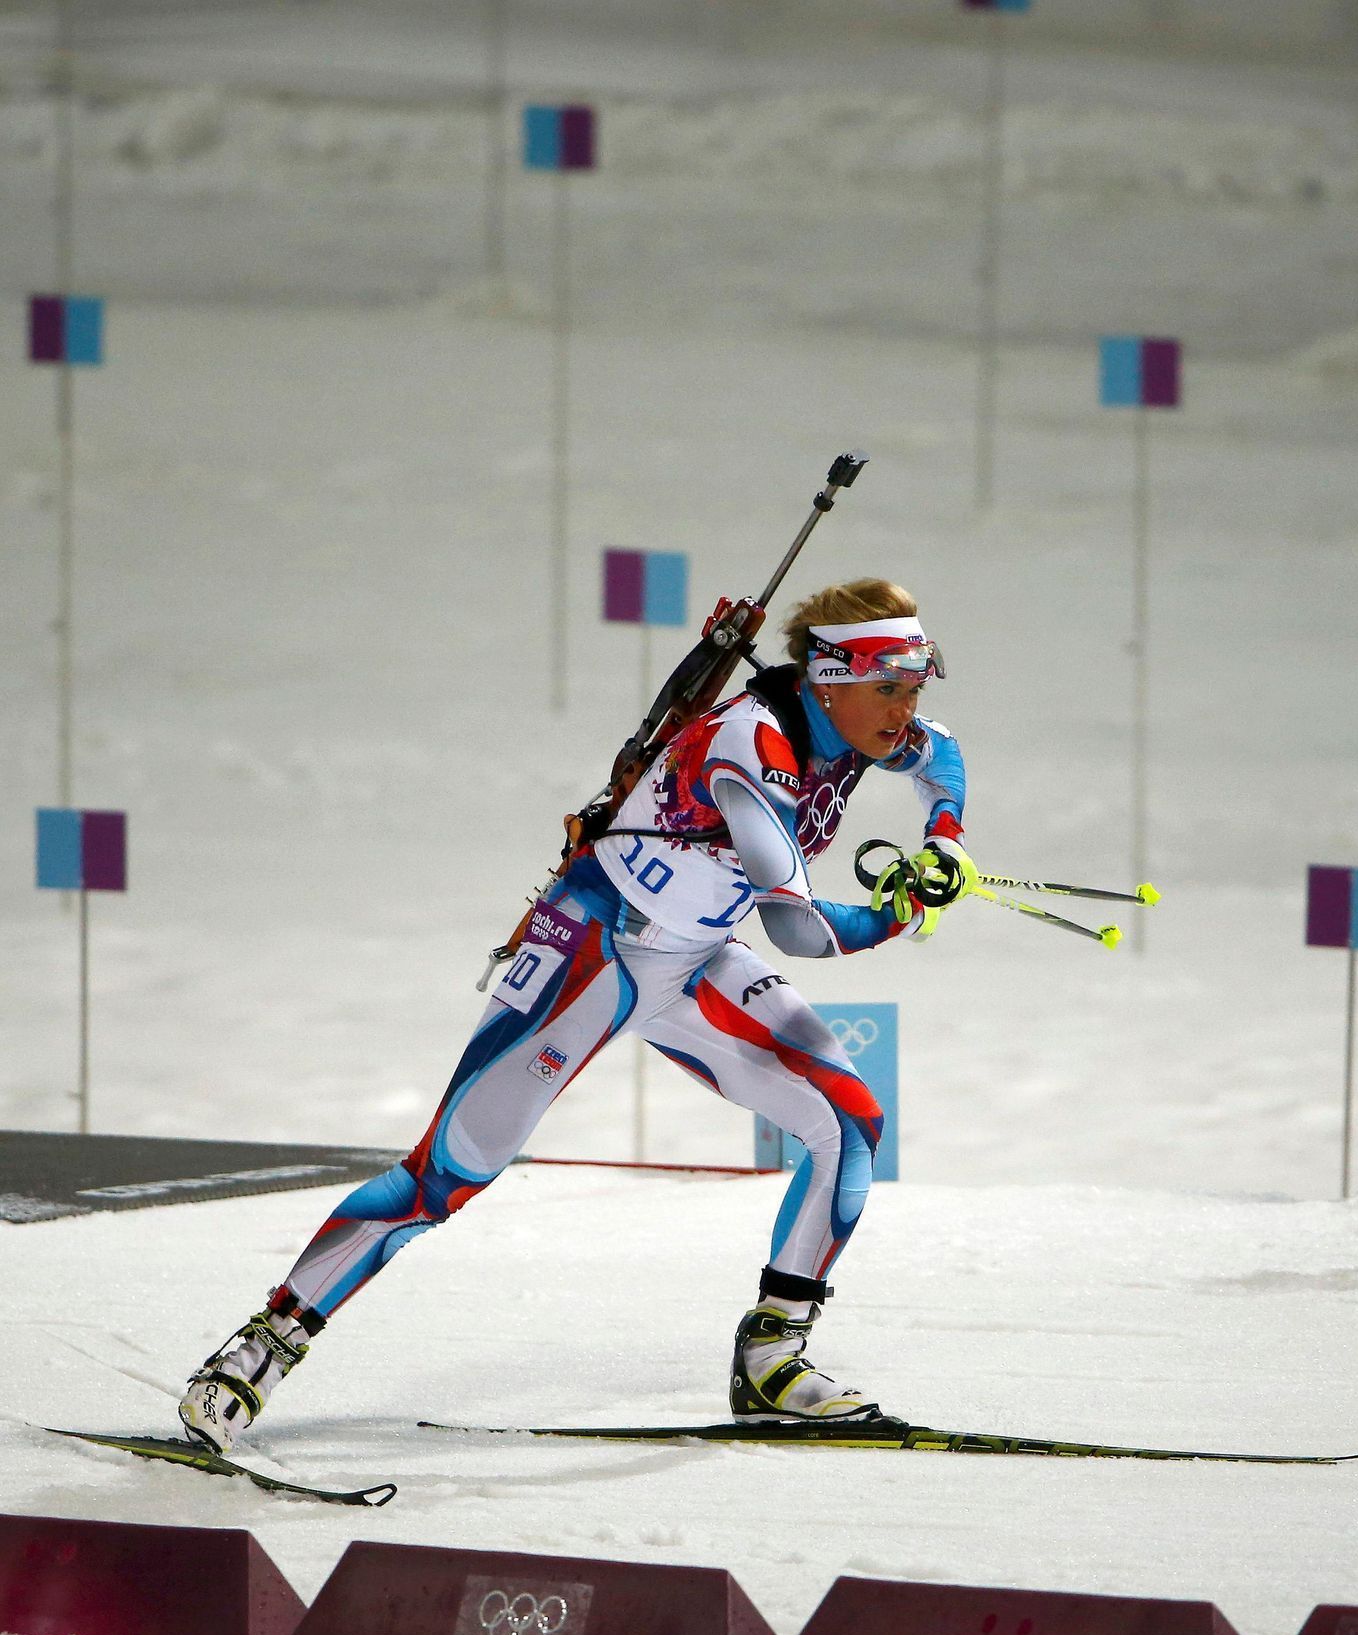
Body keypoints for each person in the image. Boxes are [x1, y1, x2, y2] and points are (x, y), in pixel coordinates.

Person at [178, 577, 975, 1452]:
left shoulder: (862, 723)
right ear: (829, 678)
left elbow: (944, 761)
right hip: (592, 951)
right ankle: (256, 1353)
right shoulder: (754, 743)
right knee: (450, 1170)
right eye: (890, 689)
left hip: (692, 956)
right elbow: (795, 925)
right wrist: (903, 908)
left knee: (848, 1122)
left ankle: (772, 1362)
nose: (906, 712)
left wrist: (942, 841)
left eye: (913, 689)